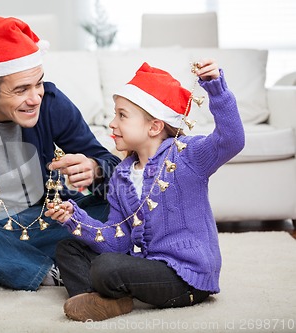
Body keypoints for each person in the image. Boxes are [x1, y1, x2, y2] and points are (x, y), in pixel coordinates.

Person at [45, 60, 245, 321]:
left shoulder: (186, 155)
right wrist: (75, 218)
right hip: (149, 266)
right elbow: (118, 241)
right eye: (114, 114)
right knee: (68, 249)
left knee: (107, 268)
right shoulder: (121, 175)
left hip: (186, 276)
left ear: (154, 126)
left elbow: (232, 140)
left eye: (122, 115)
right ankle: (96, 301)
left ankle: (107, 293)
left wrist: (216, 89)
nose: (112, 124)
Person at [0, 15, 121, 292]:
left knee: (116, 210)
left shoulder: (52, 104)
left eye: (38, 84)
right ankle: (43, 270)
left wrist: (94, 168)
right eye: (21, 89)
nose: (35, 98)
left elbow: (115, 170)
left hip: (41, 220)